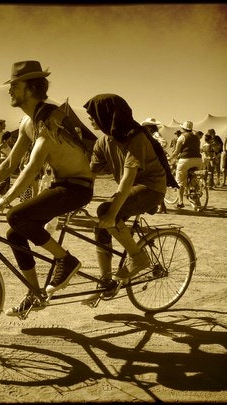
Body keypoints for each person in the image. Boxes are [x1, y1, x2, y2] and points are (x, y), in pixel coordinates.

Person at [0, 60, 94, 316]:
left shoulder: (50, 117)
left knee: (15, 215)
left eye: (14, 85)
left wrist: (3, 202)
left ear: (31, 87)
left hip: (78, 187)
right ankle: (34, 293)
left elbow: (32, 168)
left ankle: (65, 260)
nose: (9, 90)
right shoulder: (27, 121)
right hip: (60, 184)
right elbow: (11, 162)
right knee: (15, 234)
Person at [84, 94, 166, 292]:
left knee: (106, 211)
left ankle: (138, 258)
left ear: (106, 115)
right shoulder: (103, 141)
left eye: (93, 114)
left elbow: (128, 178)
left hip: (151, 188)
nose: (90, 118)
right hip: (129, 189)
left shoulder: (135, 137)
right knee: (101, 227)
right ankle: (106, 282)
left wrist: (111, 213)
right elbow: (90, 173)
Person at [169, 120, 203, 208]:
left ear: (183, 129)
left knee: (180, 181)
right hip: (198, 160)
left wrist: (171, 158)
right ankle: (197, 200)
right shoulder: (196, 137)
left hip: (186, 160)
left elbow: (176, 152)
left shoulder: (181, 137)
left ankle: (180, 202)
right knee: (194, 180)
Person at [141, 117, 167, 213]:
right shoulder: (149, 135)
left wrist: (154, 148)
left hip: (154, 160)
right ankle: (159, 205)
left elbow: (163, 143)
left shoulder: (155, 135)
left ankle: (159, 205)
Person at [0, 129, 16, 196]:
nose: (11, 138)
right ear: (8, 137)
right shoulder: (4, 143)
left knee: (6, 177)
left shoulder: (6, 143)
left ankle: (3, 191)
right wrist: (4, 154)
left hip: (6, 160)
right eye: (10, 137)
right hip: (4, 160)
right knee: (5, 177)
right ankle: (0, 191)